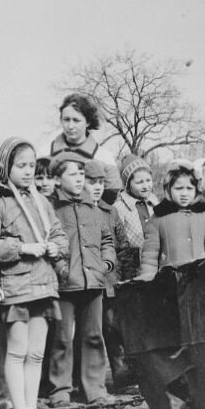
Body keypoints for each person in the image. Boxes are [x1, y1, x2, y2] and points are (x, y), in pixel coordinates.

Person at [0, 137, 67, 409]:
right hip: (15, 288)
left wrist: (56, 246)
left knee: (36, 353)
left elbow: (59, 234)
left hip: (44, 285)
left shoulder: (42, 202)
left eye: (31, 165)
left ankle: (31, 408)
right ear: (6, 167)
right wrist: (22, 249)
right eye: (21, 166)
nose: (28, 172)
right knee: (16, 351)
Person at [47, 151, 116, 406]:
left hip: (93, 283)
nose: (79, 179)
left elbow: (107, 240)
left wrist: (105, 264)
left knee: (94, 337)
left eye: (81, 174)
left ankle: (95, 390)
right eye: (72, 174)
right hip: (65, 285)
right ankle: (60, 391)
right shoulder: (51, 209)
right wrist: (61, 269)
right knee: (62, 339)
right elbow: (49, 242)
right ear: (57, 179)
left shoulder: (93, 208)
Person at [85, 159, 135, 391]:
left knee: (114, 330)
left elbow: (123, 248)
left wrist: (124, 280)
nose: (97, 187)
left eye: (100, 182)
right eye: (91, 182)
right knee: (89, 334)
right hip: (87, 284)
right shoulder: (76, 211)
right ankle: (87, 383)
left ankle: (122, 376)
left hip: (111, 283)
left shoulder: (111, 212)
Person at [137, 160, 205, 280]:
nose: (184, 194)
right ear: (169, 189)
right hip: (170, 281)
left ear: (196, 190)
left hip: (200, 279)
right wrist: (147, 281)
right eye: (179, 188)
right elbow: (149, 258)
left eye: (189, 188)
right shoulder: (158, 219)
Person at [49, 93, 122, 201]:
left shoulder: (104, 156)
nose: (70, 126)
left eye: (76, 120)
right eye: (66, 120)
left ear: (88, 122)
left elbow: (111, 198)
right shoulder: (46, 152)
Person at [113, 154, 158, 281]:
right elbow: (117, 242)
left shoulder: (154, 203)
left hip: (155, 262)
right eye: (139, 182)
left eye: (148, 180)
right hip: (132, 267)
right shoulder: (120, 207)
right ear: (128, 184)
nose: (145, 186)